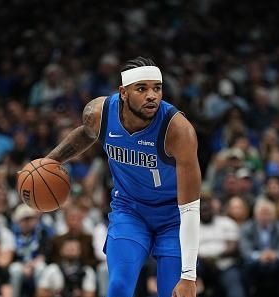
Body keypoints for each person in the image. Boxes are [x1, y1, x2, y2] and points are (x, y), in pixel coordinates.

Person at [46, 56, 202, 297]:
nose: (152, 95)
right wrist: (51, 161)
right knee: (118, 287)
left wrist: (189, 276)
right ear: (123, 92)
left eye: (157, 88)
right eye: (142, 89)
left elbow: (191, 208)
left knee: (172, 293)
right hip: (130, 210)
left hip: (174, 218)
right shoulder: (100, 113)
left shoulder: (179, 131)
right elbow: (87, 133)